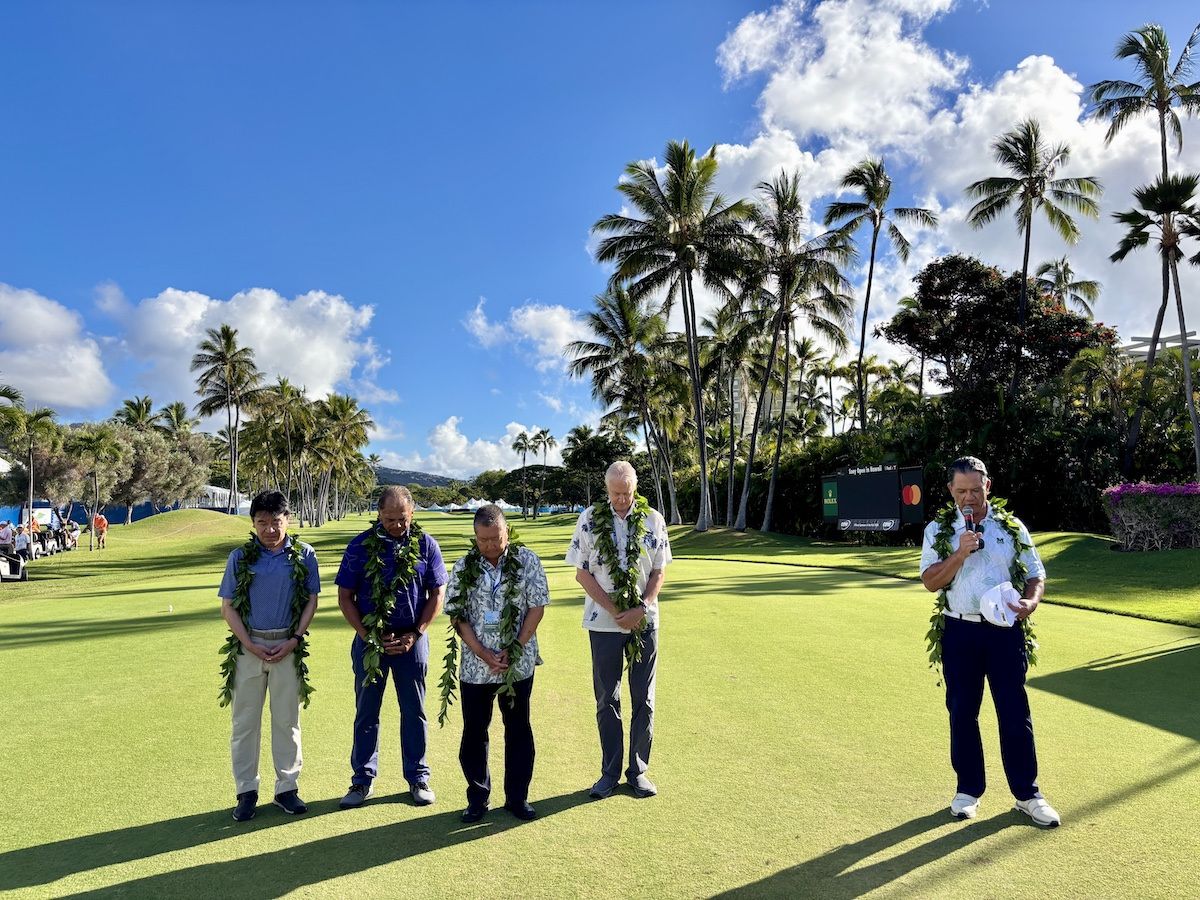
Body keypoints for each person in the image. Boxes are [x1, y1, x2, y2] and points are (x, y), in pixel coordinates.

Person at [919, 456, 1060, 827]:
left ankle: (1027, 795)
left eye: (975, 490)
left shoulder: (1011, 527)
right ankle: (968, 791)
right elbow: (931, 581)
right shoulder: (939, 529)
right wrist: (960, 552)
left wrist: (1031, 601)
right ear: (950, 490)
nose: (968, 497)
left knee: (1014, 712)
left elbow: (1036, 574)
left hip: (1004, 631)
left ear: (988, 486)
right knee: (963, 712)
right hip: (959, 630)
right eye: (961, 490)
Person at [336, 485, 447, 809]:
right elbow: (345, 597)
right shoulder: (360, 546)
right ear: (379, 515)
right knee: (367, 712)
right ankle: (361, 781)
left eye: (402, 519)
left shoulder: (426, 545)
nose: (397, 525)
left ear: (412, 513)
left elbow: (436, 594)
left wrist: (416, 632)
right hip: (371, 642)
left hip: (412, 642)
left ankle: (418, 777)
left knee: (414, 711)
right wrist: (368, 635)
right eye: (389, 519)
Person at [566, 460, 671, 800]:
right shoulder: (589, 519)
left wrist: (641, 608)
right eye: (615, 493)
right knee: (606, 699)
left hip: (645, 622)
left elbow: (658, 570)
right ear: (606, 489)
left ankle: (638, 771)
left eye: (627, 493)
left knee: (644, 698)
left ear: (635, 488)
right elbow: (582, 573)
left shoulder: (654, 519)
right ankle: (609, 773)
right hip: (603, 624)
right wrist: (616, 612)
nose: (622, 500)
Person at [218, 490, 320, 822]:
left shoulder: (304, 555)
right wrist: (248, 643)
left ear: (287, 520)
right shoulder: (240, 558)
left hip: (287, 648)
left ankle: (286, 789)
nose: (270, 530)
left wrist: (294, 639)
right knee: (244, 723)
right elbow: (228, 606)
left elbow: (310, 601)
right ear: (253, 524)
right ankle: (246, 791)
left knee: (286, 720)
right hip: (249, 649)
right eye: (262, 523)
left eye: (275, 522)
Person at [445, 504, 549, 823]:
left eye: (496, 538)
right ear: (475, 536)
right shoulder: (464, 566)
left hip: (517, 663)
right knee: (475, 732)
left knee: (518, 730)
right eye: (483, 539)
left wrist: (515, 646)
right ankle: (478, 798)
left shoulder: (526, 560)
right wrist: (481, 651)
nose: (490, 545)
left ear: (507, 531)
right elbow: (457, 614)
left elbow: (537, 606)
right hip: (476, 667)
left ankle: (517, 798)